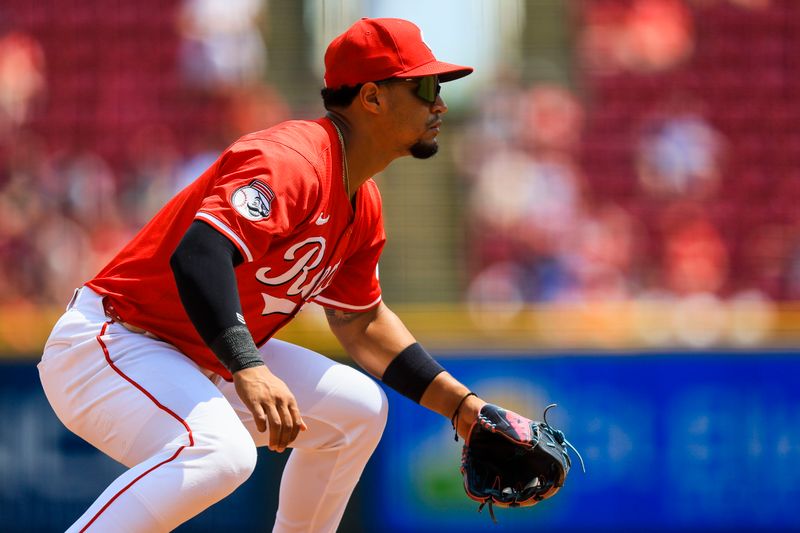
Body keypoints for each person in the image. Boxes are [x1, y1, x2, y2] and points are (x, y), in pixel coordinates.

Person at [38, 17, 487, 532]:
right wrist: (248, 365)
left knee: (357, 411)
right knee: (219, 453)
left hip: (194, 354)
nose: (440, 104)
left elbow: (360, 322)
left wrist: (462, 408)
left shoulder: (362, 202)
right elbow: (200, 255)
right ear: (372, 97)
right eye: (425, 86)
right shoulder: (292, 160)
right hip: (113, 343)